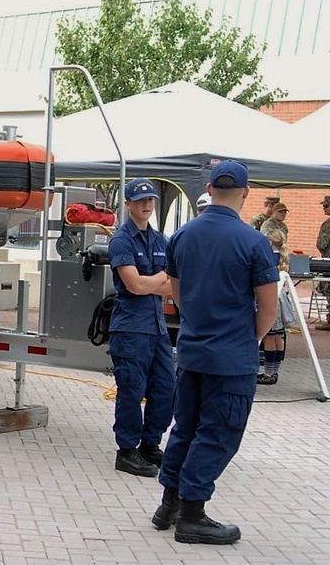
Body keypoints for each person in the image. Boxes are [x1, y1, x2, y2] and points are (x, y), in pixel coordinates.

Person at [151, 160, 279, 545]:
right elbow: (269, 309)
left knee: (185, 428)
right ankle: (193, 514)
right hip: (230, 358)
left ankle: (168, 504)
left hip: (191, 351)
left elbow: (176, 291)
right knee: (218, 432)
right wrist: (248, 340)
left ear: (208, 188)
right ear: (246, 192)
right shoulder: (254, 242)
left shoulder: (182, 236)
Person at [107, 178, 174, 477]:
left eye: (150, 200)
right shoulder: (121, 240)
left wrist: (156, 281)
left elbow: (173, 287)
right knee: (132, 390)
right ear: (128, 204)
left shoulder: (161, 240)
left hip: (158, 328)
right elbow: (134, 286)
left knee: (166, 388)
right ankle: (127, 451)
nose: (147, 205)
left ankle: (150, 445)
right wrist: (158, 280)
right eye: (140, 200)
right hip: (131, 328)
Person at [258, 228, 290, 385]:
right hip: (281, 297)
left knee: (268, 336)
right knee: (278, 336)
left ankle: (268, 373)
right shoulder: (283, 257)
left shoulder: (268, 256)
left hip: (271, 296)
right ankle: (274, 371)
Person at [316, 195, 330, 331]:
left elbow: (322, 244)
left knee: (328, 289)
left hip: (328, 262)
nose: (323, 208)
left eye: (326, 206)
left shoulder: (327, 225)